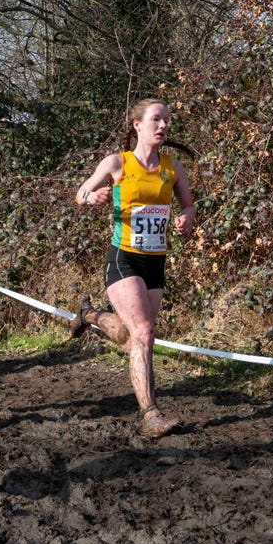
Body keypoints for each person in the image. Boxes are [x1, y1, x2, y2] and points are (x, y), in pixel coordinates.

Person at [69, 98, 195, 439]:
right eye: (156, 119)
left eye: (167, 120)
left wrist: (185, 217)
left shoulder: (173, 167)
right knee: (143, 332)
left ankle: (90, 316)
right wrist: (90, 198)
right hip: (123, 258)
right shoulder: (117, 162)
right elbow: (81, 192)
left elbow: (188, 204)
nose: (163, 126)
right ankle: (150, 413)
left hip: (156, 260)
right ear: (137, 125)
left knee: (132, 338)